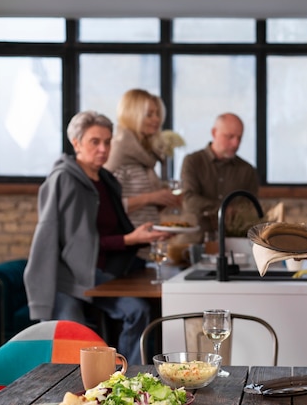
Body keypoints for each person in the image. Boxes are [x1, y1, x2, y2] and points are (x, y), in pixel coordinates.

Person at [24, 110, 171, 364]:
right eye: (95, 141)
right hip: (67, 278)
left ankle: (127, 377)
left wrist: (142, 237)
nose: (103, 148)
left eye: (107, 141)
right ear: (76, 143)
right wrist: (129, 240)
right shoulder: (63, 180)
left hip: (99, 275)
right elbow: (62, 241)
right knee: (74, 344)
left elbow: (109, 233)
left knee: (138, 311)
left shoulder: (106, 180)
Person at [104, 89, 181, 228]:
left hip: (146, 241)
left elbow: (145, 208)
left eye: (157, 114)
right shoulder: (118, 152)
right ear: (132, 116)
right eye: (149, 115)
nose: (156, 119)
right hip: (127, 243)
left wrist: (163, 200)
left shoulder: (145, 156)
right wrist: (151, 198)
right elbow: (107, 207)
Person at [180, 112, 259, 232]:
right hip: (194, 238)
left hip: (233, 242)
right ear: (214, 133)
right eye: (230, 137)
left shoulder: (247, 171)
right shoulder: (193, 161)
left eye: (239, 138)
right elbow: (189, 200)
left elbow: (250, 211)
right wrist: (224, 209)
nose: (236, 144)